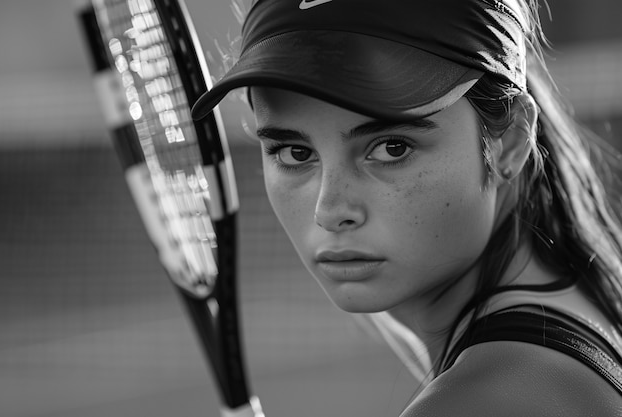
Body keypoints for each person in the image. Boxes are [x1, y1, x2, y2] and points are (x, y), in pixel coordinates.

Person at [192, 0, 622, 414]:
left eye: (392, 148)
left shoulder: (487, 401)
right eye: (294, 153)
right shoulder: (578, 316)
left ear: (509, 140)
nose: (330, 210)